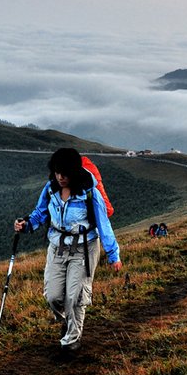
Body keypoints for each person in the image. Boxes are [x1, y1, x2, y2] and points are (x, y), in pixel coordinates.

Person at [15, 148, 121, 353]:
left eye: (65, 173)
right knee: (52, 296)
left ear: (74, 171)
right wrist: (26, 225)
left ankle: (72, 340)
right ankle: (67, 321)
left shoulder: (89, 192)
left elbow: (103, 224)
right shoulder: (50, 189)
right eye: (57, 172)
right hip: (57, 247)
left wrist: (113, 254)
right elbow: (40, 213)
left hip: (84, 248)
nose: (60, 177)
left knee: (75, 296)